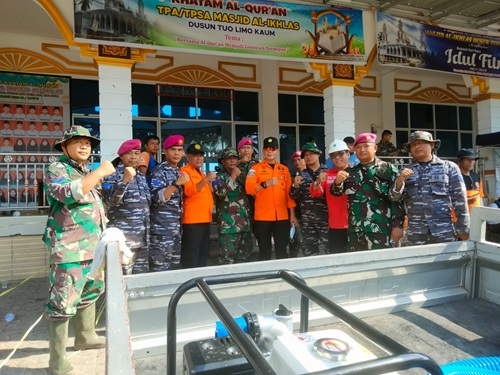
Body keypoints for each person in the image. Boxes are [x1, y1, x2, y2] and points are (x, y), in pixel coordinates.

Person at [43, 125, 115, 375]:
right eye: (77, 142)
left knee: (91, 290)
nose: (85, 146)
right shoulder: (57, 169)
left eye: (88, 142)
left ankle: (85, 336)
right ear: (64, 146)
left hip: (93, 247)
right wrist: (99, 173)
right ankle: (57, 361)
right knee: (62, 301)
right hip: (70, 248)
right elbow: (67, 193)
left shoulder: (83, 171)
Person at [390, 131, 470, 245]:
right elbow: (394, 199)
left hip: (443, 231)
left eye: (421, 143)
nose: (417, 147)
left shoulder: (449, 167)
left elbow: (460, 199)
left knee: (446, 262)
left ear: (432, 145)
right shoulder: (405, 172)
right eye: (413, 145)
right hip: (416, 233)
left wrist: (463, 228)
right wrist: (399, 181)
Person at [332, 133, 405, 251]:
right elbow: (336, 193)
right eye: (358, 147)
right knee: (358, 266)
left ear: (375, 148)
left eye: (366, 146)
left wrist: (397, 226)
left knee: (382, 264)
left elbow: (398, 199)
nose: (362, 150)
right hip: (356, 231)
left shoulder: (388, 169)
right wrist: (337, 183)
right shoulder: (350, 172)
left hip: (381, 230)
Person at [102, 139, 151, 275]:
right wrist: (124, 181)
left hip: (142, 239)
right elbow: (110, 201)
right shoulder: (112, 174)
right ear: (121, 156)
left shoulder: (140, 176)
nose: (134, 157)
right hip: (124, 241)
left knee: (139, 281)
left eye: (137, 153)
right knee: (121, 280)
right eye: (129, 153)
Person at [245, 136, 298, 260]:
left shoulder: (284, 170)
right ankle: (265, 276)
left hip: (282, 216)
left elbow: (288, 194)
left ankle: (283, 275)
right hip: (263, 216)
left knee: (282, 249)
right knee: (264, 250)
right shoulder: (255, 169)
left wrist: (292, 214)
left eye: (273, 148)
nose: (270, 151)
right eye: (267, 149)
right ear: (263, 151)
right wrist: (264, 184)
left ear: (277, 151)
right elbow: (249, 188)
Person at [149, 135, 189, 271]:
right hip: (162, 230)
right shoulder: (159, 171)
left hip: (176, 229)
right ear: (165, 151)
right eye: (173, 149)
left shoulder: (179, 171)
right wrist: (176, 184)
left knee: (174, 267)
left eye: (179, 150)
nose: (177, 153)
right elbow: (156, 198)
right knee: (160, 268)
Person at [214, 147, 253, 264]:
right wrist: (233, 177)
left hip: (244, 224)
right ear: (222, 161)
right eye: (228, 158)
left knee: (244, 258)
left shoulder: (243, 176)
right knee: (227, 259)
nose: (232, 161)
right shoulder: (217, 177)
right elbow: (219, 192)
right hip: (229, 227)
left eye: (235, 158)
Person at [289, 142, 329, 256]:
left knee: (331, 250)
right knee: (309, 252)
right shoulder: (300, 175)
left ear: (318, 154)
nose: (308, 157)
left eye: (311, 153)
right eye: (305, 155)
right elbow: (293, 196)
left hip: (325, 219)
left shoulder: (328, 172)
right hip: (307, 221)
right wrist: (294, 186)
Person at [310, 140, 350, 253]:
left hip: (356, 225)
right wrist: (317, 181)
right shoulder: (327, 174)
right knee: (338, 260)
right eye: (333, 155)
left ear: (348, 153)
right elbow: (315, 192)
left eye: (340, 154)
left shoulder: (356, 172)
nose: (337, 158)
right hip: (336, 225)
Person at [180, 143, 215, 268]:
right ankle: (191, 280)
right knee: (192, 253)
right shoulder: (185, 171)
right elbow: (189, 191)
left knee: (203, 253)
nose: (199, 158)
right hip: (193, 221)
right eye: (195, 156)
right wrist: (206, 180)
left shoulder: (200, 172)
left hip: (204, 219)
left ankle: (201, 279)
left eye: (201, 155)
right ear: (188, 157)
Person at [289, 150, 306, 257]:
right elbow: (290, 198)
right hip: (298, 216)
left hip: (312, 216)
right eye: (294, 160)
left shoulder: (313, 175)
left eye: (299, 159)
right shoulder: (291, 178)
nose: (297, 162)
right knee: (296, 244)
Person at [456, 148, 483, 212]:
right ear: (459, 161)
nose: (471, 162)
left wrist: (482, 212)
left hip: (476, 216)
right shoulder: (454, 177)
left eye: (473, 159)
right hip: (459, 217)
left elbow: (480, 197)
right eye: (468, 159)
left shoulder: (476, 176)